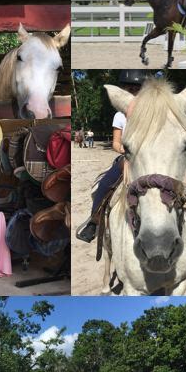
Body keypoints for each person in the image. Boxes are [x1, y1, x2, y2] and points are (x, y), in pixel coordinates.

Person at [76, 69, 146, 243]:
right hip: (129, 158)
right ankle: (94, 220)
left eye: (136, 89)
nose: (133, 93)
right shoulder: (119, 116)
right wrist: (126, 150)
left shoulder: (149, 113)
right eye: (129, 89)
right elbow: (116, 143)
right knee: (105, 183)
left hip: (149, 156)